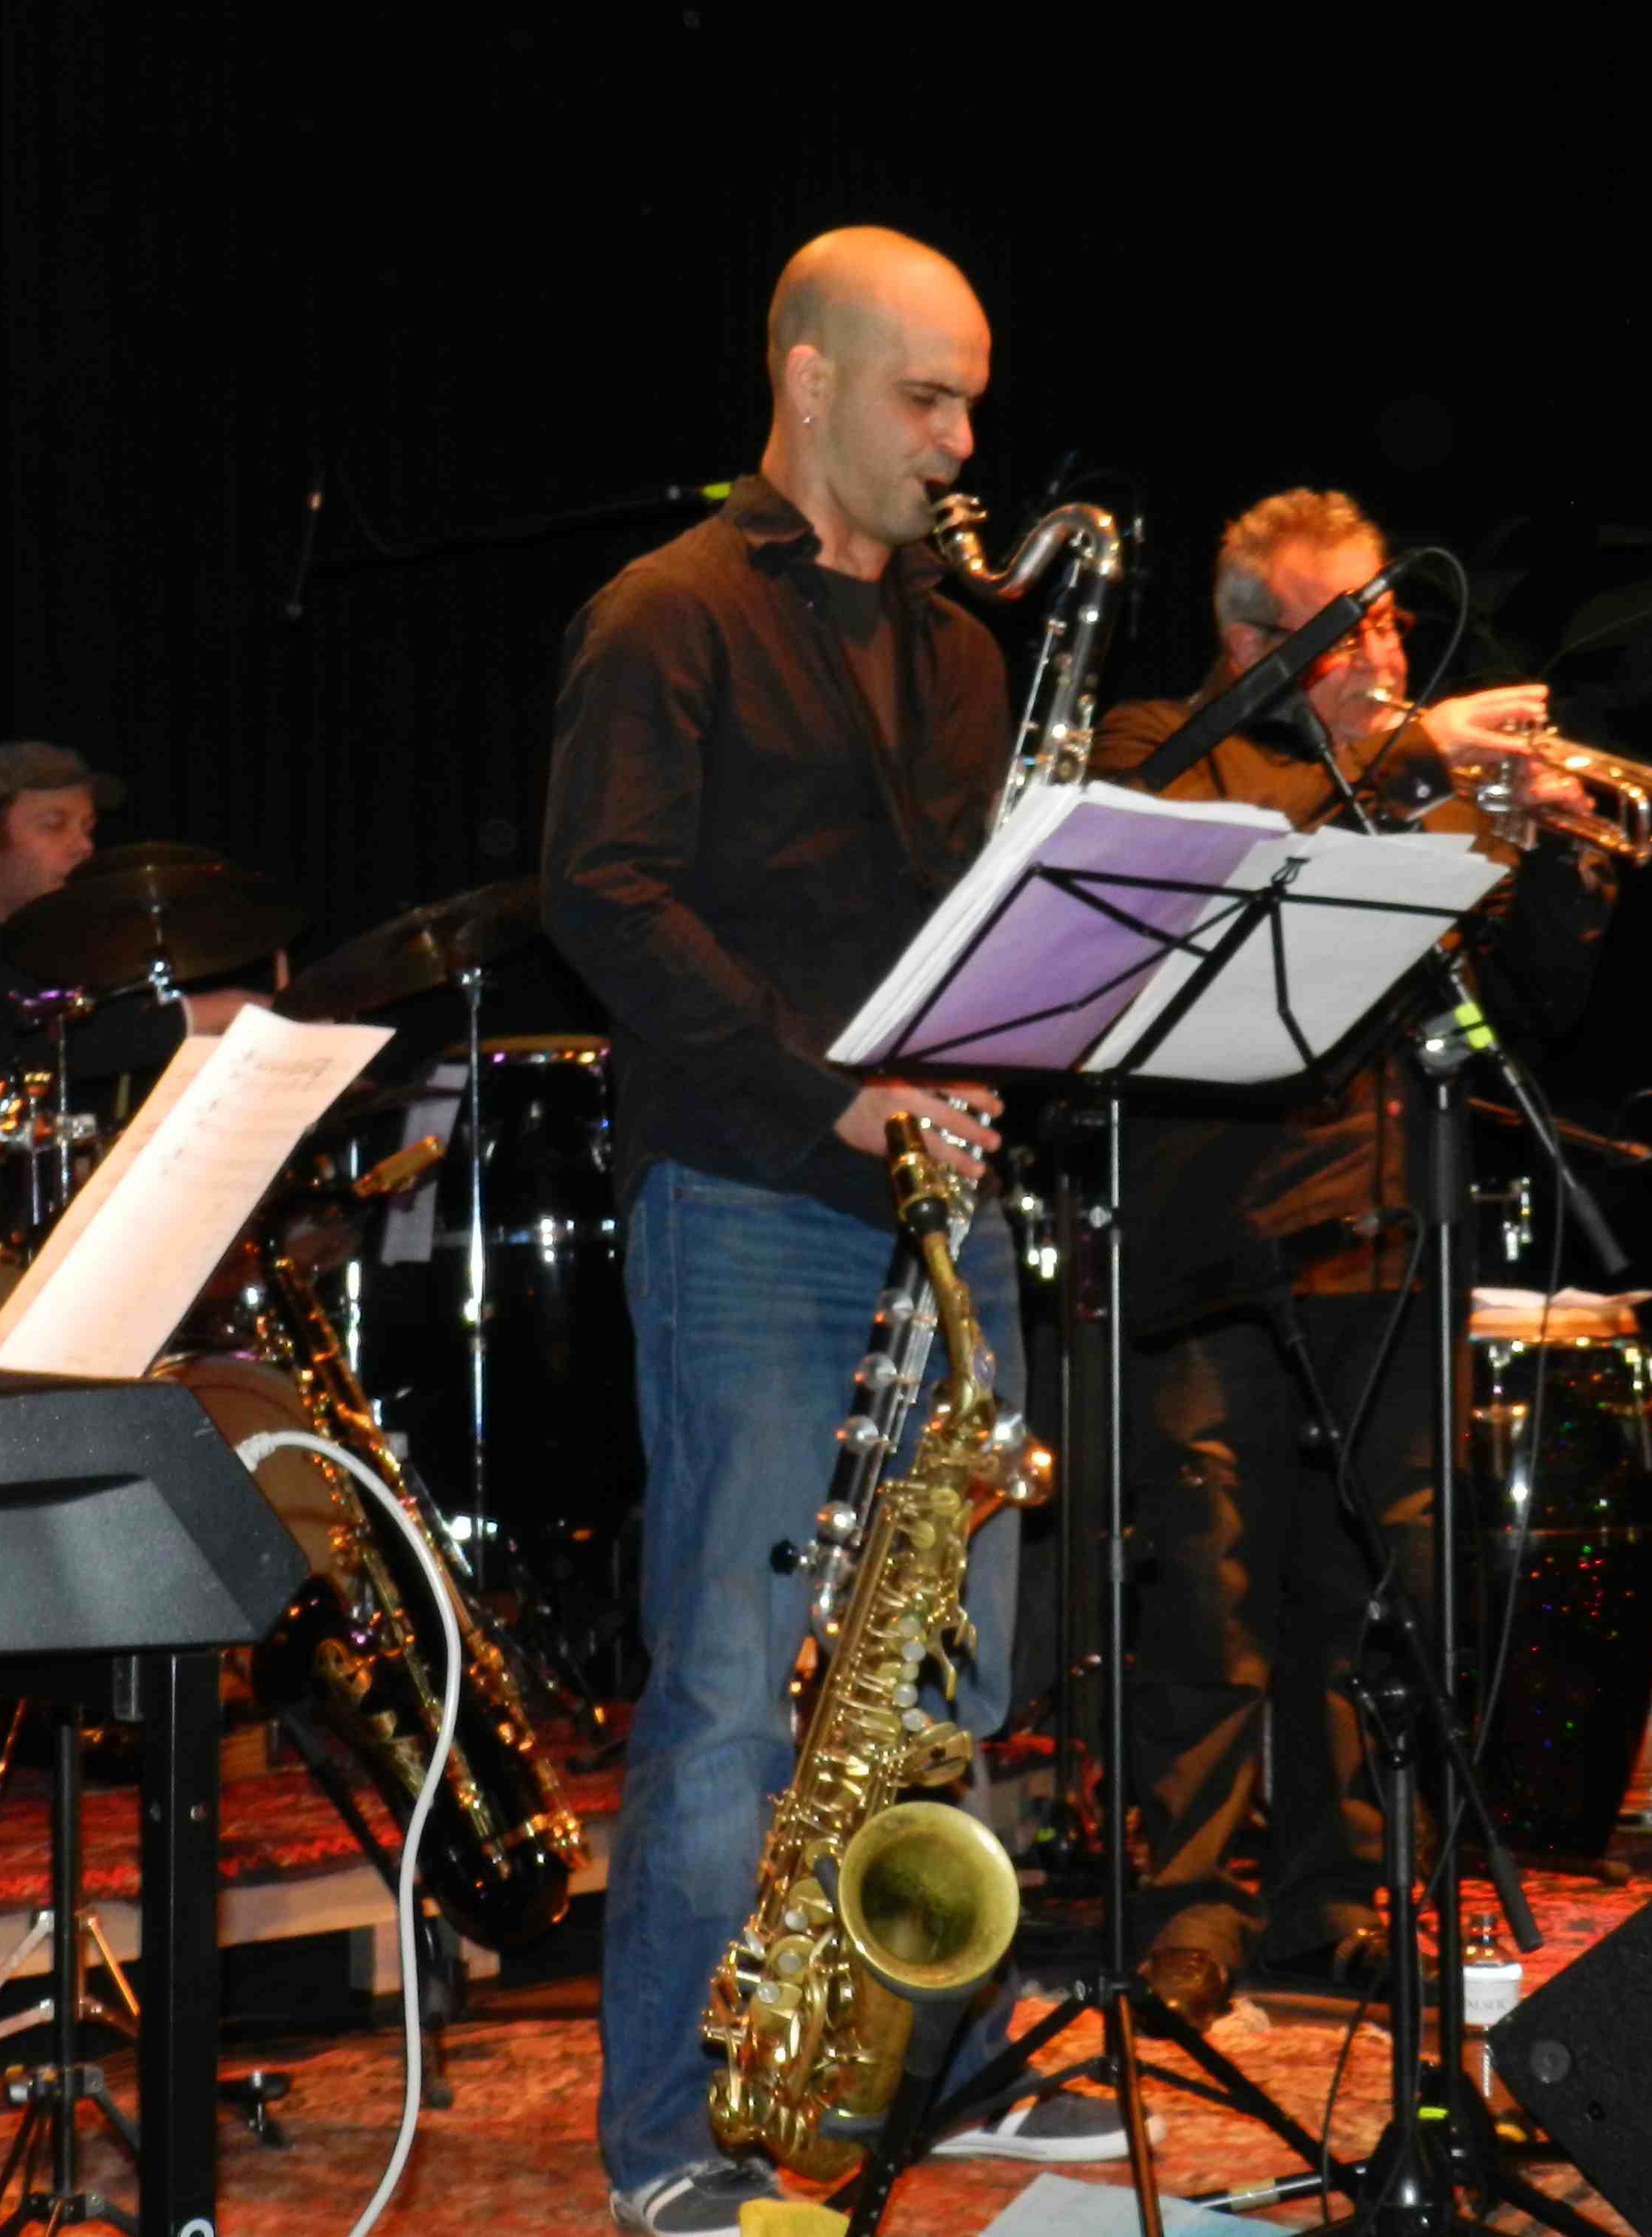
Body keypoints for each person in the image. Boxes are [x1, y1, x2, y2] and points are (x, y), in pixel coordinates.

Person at [540, 227, 1129, 2237]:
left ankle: (925, 2074)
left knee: (947, 1675)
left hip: (942, 1206)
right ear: (806, 380)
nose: (962, 442)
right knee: (735, 1678)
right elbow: (605, 896)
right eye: (926, 398)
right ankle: (671, 2136)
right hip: (748, 1192)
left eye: (973, 403)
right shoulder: (668, 614)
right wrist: (834, 1090)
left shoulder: (963, 650)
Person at [1090, 487, 1613, 2033]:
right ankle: (1189, 1906)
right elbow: (1229, 871)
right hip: (1208, 1241)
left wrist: (1547, 845)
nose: (1385, 653)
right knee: (1209, 1596)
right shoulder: (1158, 747)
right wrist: (1421, 756)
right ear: (1250, 638)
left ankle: (1347, 1897)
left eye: (1389, 618)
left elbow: (1547, 1001)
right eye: (1348, 627)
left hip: (1388, 1235)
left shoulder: (1410, 784)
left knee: (1375, 1601)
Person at [0, 740, 268, 1073]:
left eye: (88, 827)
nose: (84, 846)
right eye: (54, 825)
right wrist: (203, 1014)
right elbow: (14, 1045)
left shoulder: (57, 942)